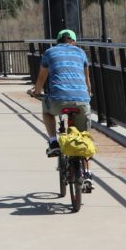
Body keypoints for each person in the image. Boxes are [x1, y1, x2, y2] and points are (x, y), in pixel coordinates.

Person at [28, 29, 93, 191]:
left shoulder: (49, 52)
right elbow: (87, 80)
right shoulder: (81, 53)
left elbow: (42, 78)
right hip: (81, 100)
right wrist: (88, 95)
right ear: (74, 41)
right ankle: (87, 173)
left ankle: (53, 142)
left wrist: (36, 92)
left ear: (57, 41)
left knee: (47, 109)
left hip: (58, 100)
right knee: (83, 138)